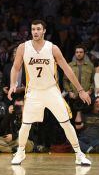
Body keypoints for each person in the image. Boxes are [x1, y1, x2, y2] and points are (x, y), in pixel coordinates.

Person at [8, 19, 92, 166]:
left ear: (44, 31)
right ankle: (20, 152)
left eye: (38, 29)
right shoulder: (23, 47)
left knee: (66, 123)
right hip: (33, 91)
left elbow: (67, 69)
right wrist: (12, 84)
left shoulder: (52, 48)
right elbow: (15, 68)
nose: (35, 32)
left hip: (51, 90)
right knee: (25, 125)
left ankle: (79, 154)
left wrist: (81, 90)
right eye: (33, 29)